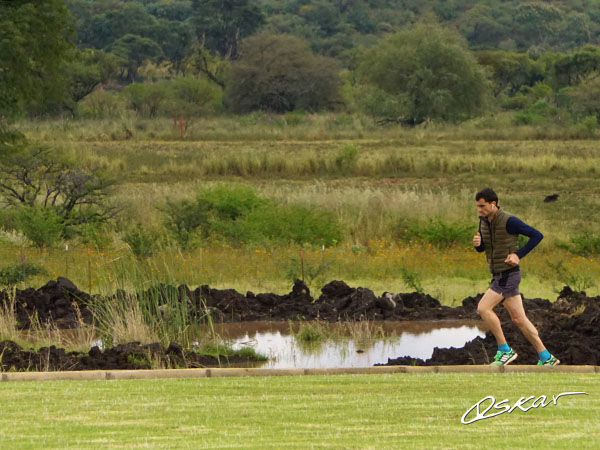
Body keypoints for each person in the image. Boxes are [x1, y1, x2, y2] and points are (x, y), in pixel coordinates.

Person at [473, 187, 559, 366]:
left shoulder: (509, 221)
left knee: (483, 309)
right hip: (498, 273)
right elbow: (486, 248)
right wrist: (478, 246)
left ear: (493, 204)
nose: (479, 210)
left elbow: (537, 235)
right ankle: (546, 357)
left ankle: (505, 350)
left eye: (482, 206)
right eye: (478, 206)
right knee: (519, 319)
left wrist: (518, 254)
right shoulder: (483, 222)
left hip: (508, 274)